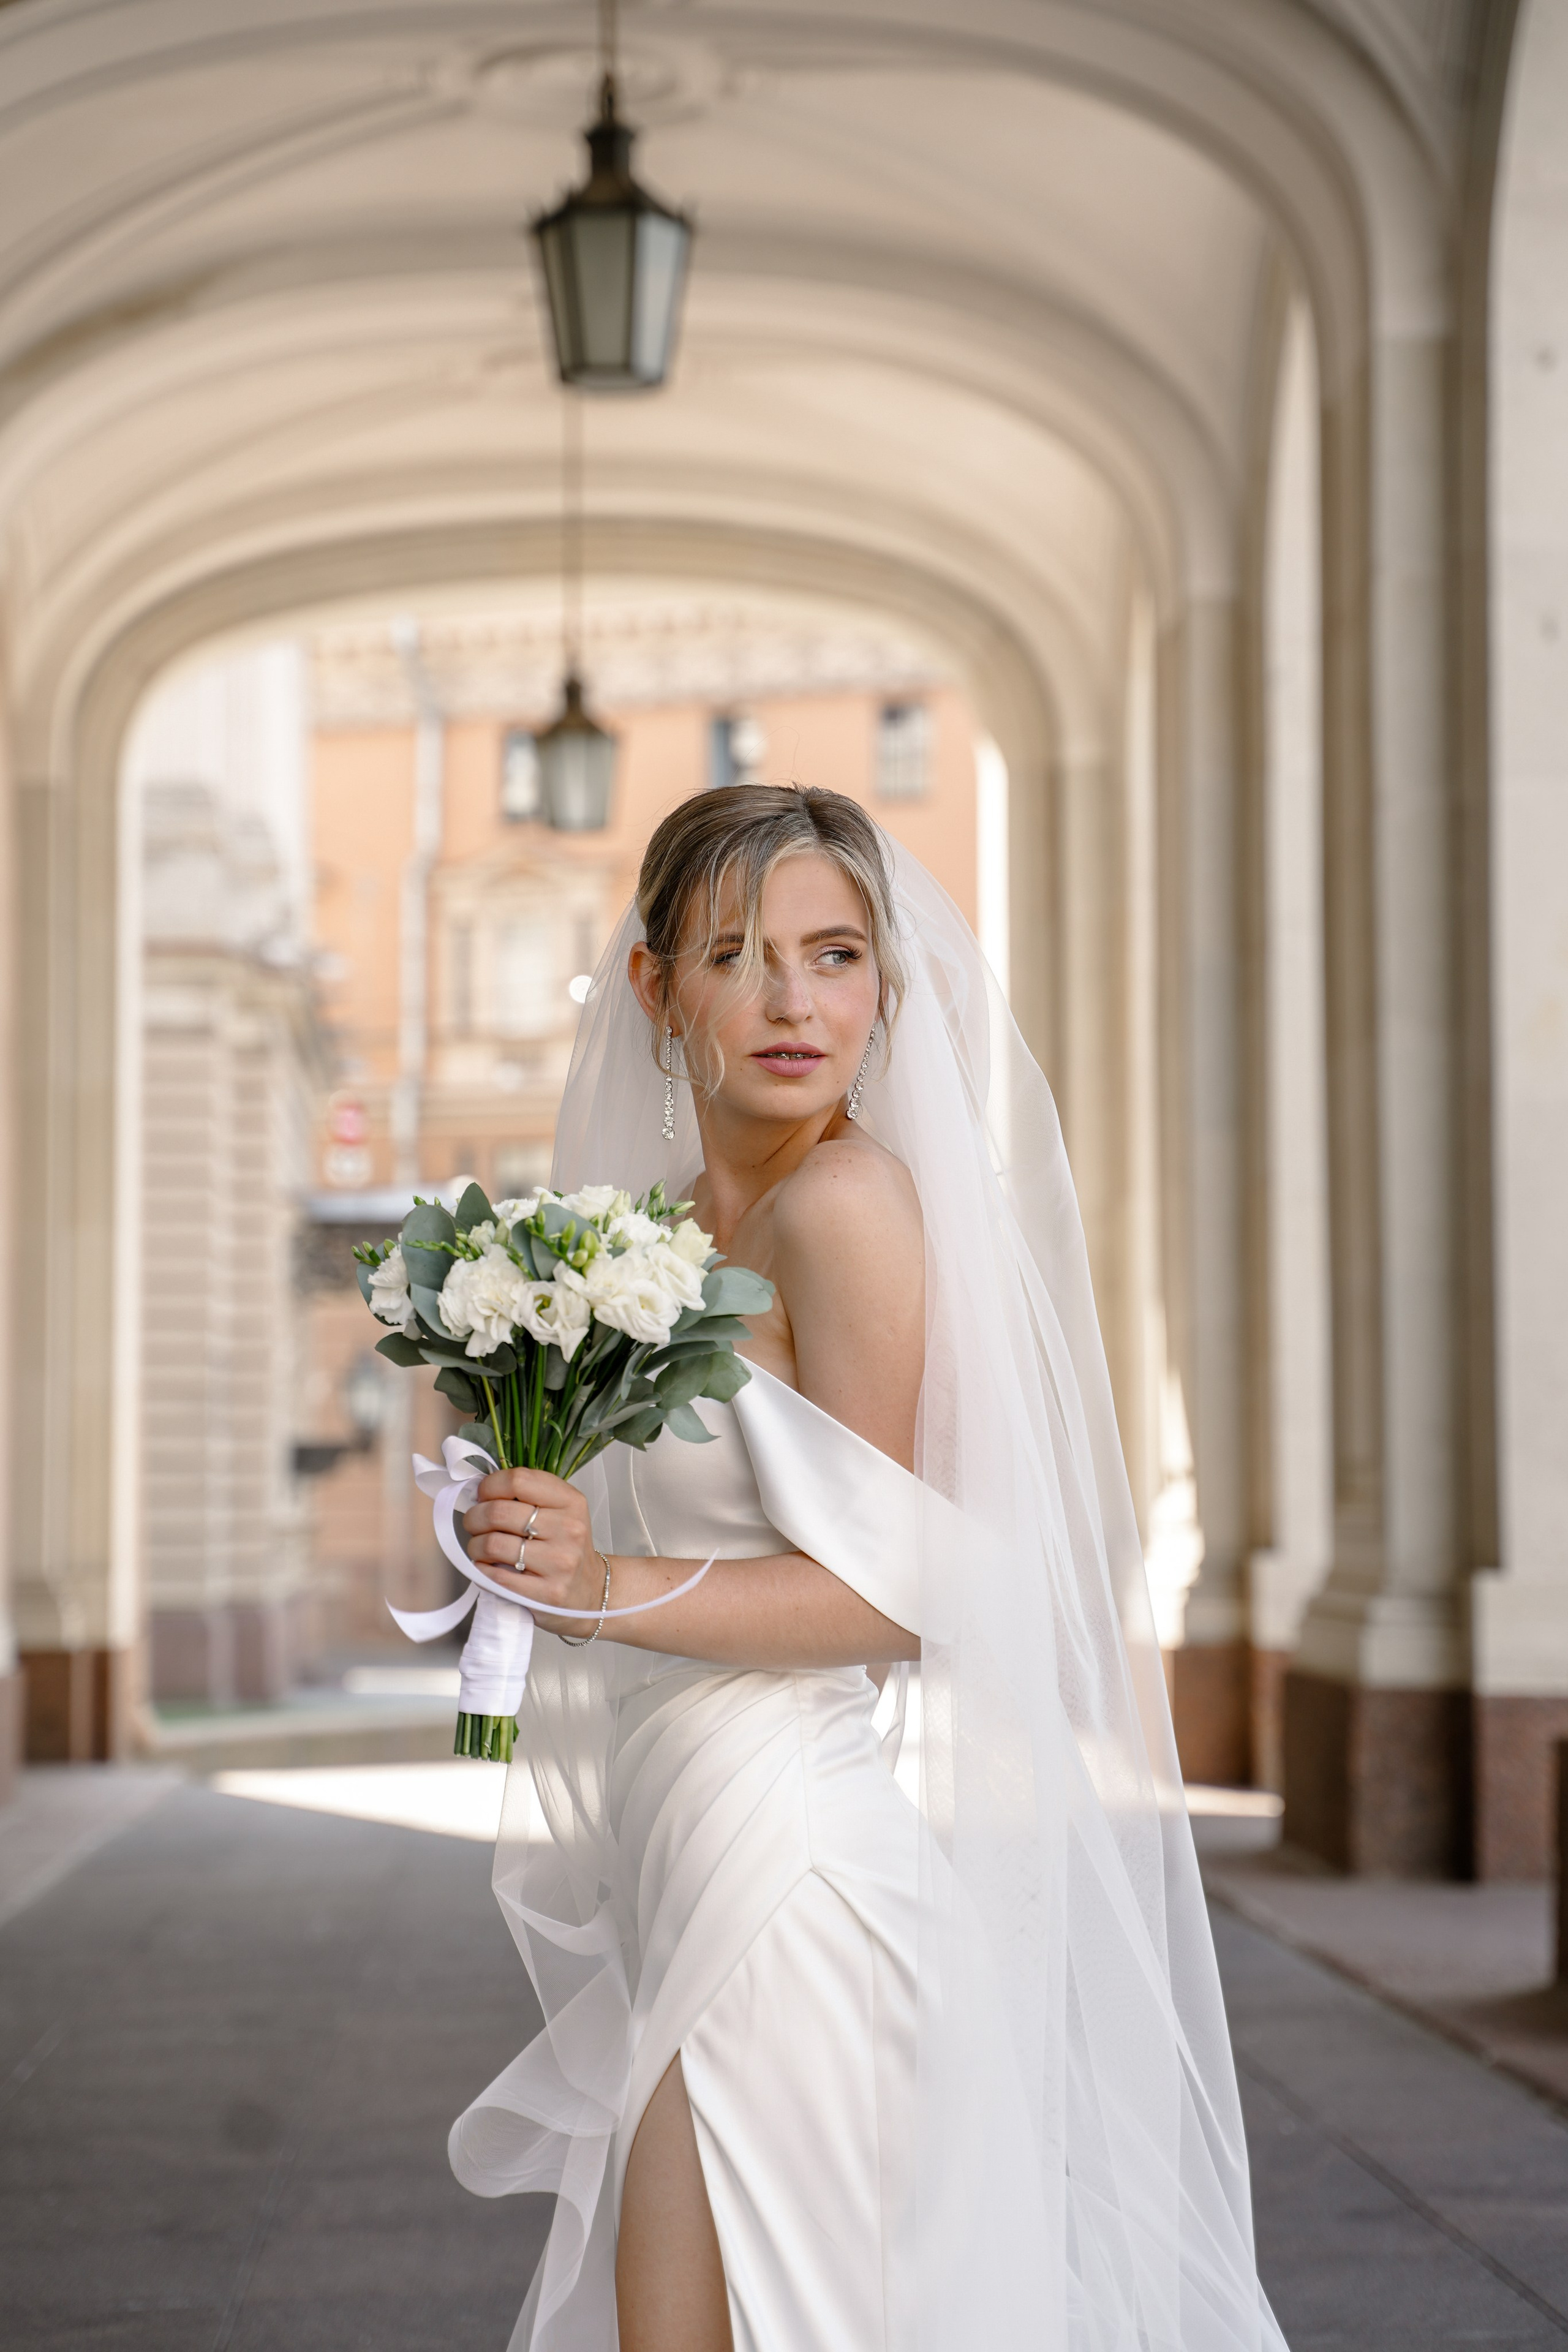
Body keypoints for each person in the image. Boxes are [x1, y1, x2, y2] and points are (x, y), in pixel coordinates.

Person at [451, 785, 1289, 2352]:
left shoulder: (844, 1210)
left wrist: (601, 1582)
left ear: (884, 988)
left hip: (795, 1873)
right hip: (685, 1848)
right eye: (736, 954)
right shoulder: (654, 1241)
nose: (791, 1001)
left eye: (834, 955)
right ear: (655, 990)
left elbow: (911, 1599)